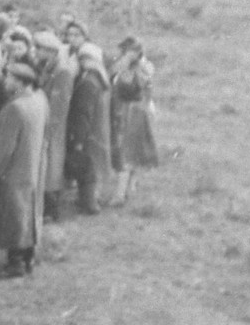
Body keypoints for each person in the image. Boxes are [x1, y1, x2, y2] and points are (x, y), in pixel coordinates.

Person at [0, 63, 47, 278]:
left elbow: (3, 149)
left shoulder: (14, 108)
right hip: (33, 167)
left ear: (20, 82)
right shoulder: (40, 100)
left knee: (14, 218)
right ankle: (27, 258)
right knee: (28, 214)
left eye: (9, 78)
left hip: (13, 171)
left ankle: (16, 262)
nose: (5, 81)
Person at [109, 37, 159, 206]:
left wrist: (127, 61)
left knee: (125, 153)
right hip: (135, 109)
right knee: (132, 151)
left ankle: (120, 195)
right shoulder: (141, 68)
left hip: (130, 111)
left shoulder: (137, 69)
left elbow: (126, 84)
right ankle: (130, 188)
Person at [66, 42, 113, 215]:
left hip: (88, 131)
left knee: (87, 167)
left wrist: (78, 139)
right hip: (97, 128)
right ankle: (88, 201)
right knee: (90, 166)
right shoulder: (99, 78)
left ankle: (89, 203)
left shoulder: (88, 82)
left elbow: (82, 113)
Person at [36, 31, 78, 220]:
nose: (36, 52)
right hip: (44, 122)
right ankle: (47, 208)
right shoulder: (47, 67)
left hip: (53, 126)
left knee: (52, 167)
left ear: (50, 51)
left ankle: (53, 211)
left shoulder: (62, 71)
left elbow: (59, 106)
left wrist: (48, 129)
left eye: (39, 49)